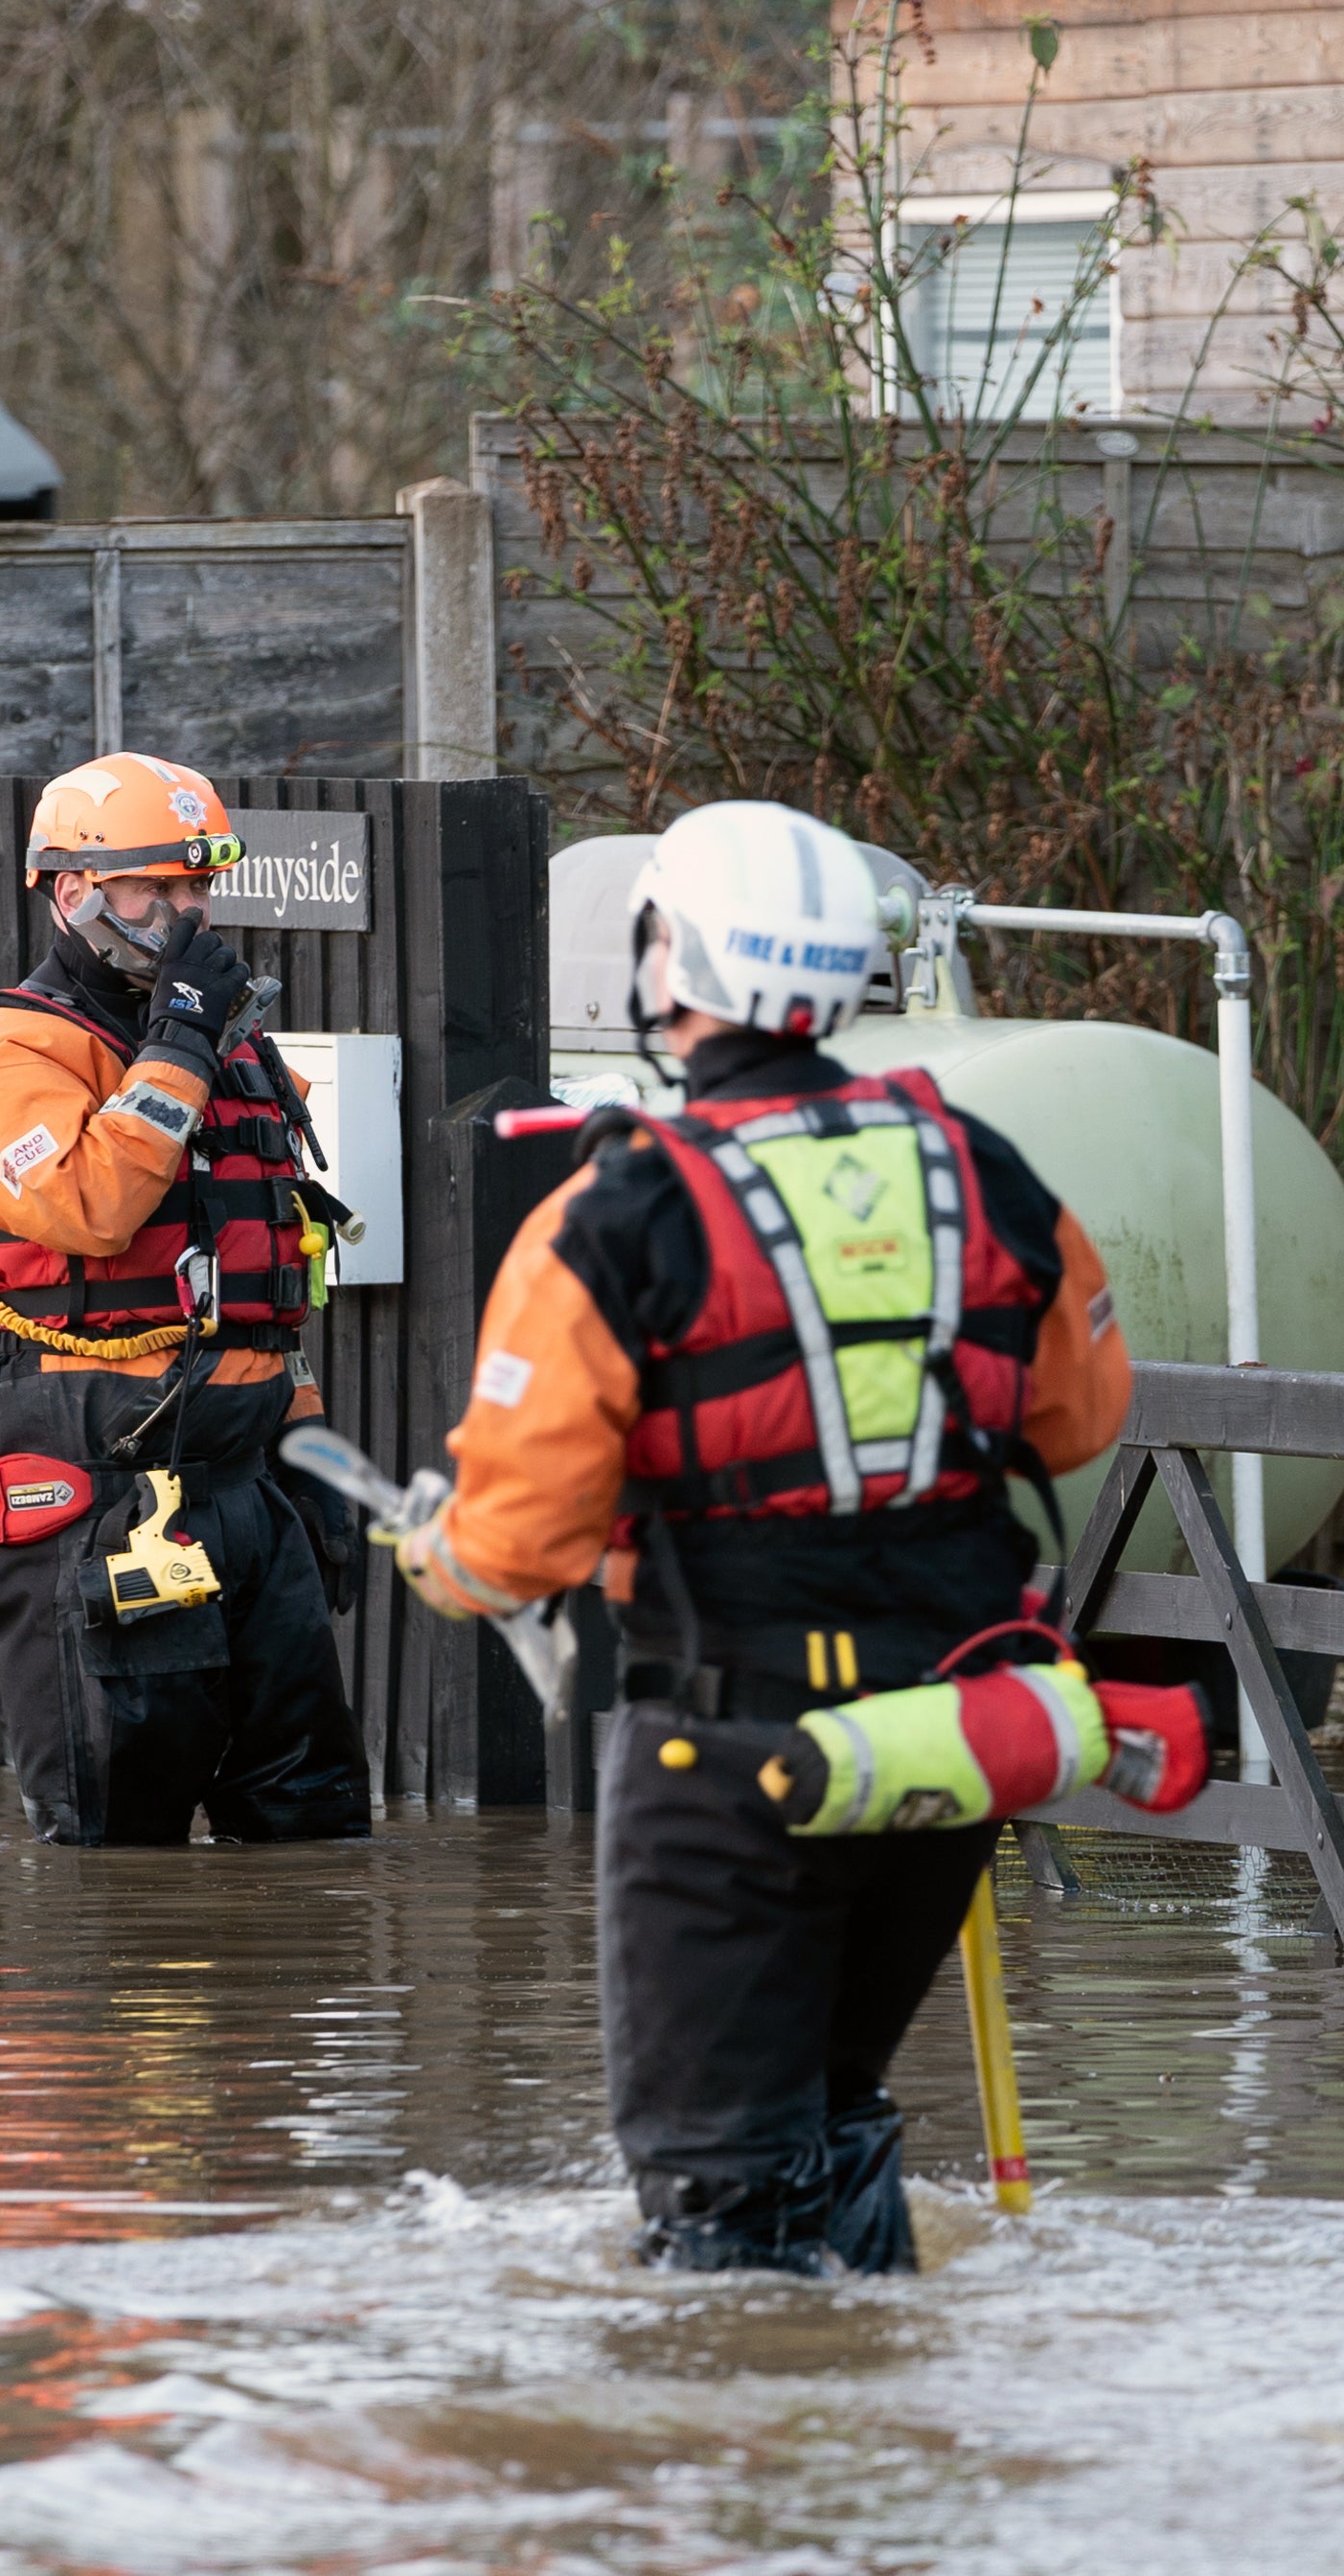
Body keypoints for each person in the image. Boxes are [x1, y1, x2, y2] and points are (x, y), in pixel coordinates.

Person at [394, 799, 1135, 2272]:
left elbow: (511, 1551)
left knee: (723, 2191)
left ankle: (759, 2473)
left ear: (672, 965)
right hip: (949, 1737)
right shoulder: (977, 1166)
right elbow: (1077, 1417)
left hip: (733, 1761)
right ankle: (872, 2470)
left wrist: (436, 1549)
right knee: (831, 2115)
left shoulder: (615, 1217)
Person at [0, 750, 369, 1846]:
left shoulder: (231, 1045)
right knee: (116, 1850)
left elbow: (269, 1283)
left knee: (312, 1831)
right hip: (102, 1496)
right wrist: (173, 1044)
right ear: (70, 893)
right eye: (151, 889)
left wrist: (310, 1470)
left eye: (194, 887)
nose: (184, 913)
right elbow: (90, 1206)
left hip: (246, 1486)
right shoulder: (19, 1046)